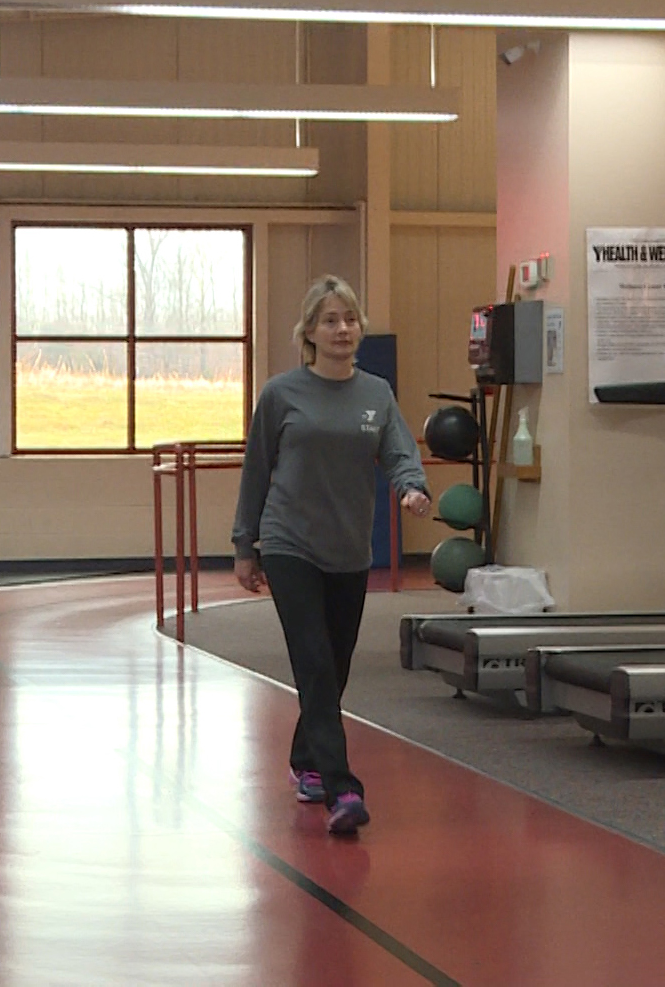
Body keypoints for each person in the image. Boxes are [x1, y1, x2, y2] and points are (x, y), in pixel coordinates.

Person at [231, 275, 431, 836]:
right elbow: (257, 470)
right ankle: (342, 786)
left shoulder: (376, 394)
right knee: (315, 663)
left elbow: (399, 452)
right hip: (291, 543)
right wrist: (245, 545)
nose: (343, 329)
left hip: (347, 549)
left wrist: (411, 487)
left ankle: (305, 762)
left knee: (334, 666)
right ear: (310, 333)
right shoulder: (281, 395)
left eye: (350, 319)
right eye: (330, 321)